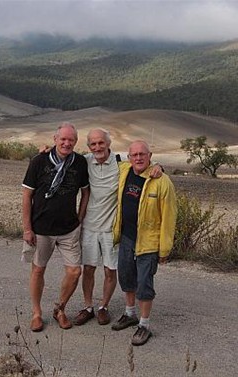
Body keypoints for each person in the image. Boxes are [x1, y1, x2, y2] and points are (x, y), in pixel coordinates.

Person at [73, 129, 163, 327]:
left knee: (110, 270)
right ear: (89, 147)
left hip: (112, 229)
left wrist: (158, 166)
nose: (97, 147)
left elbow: (142, 165)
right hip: (89, 226)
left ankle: (103, 307)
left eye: (101, 143)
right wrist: (46, 150)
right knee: (88, 269)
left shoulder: (120, 163)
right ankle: (88, 307)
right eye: (93, 144)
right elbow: (63, 156)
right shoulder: (84, 161)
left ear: (108, 144)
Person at [22, 122, 89, 331]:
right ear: (55, 139)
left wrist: (80, 217)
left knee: (74, 272)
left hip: (69, 229)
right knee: (38, 271)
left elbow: (85, 192)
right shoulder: (39, 161)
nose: (66, 143)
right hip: (41, 228)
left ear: (76, 142)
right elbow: (26, 195)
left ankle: (60, 308)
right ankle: (36, 313)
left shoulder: (79, 163)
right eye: (63, 139)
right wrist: (27, 228)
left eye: (71, 140)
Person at [111, 140, 177, 346]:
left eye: (142, 154)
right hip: (126, 237)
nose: (138, 158)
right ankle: (130, 313)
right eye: (134, 155)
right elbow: (100, 155)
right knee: (125, 275)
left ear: (150, 156)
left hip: (148, 242)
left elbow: (169, 217)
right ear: (129, 157)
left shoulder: (162, 181)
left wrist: (165, 248)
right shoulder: (124, 171)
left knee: (144, 283)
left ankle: (144, 325)